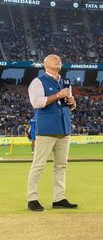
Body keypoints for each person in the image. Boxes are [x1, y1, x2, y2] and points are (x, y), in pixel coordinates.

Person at [26, 54, 78, 212]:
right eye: (55, 59)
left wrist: (73, 103)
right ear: (46, 64)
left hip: (64, 129)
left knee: (61, 166)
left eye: (60, 59)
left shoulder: (65, 82)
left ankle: (59, 198)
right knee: (39, 165)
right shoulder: (38, 81)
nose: (59, 60)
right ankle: (32, 198)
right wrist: (57, 95)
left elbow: (68, 105)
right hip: (47, 129)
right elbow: (36, 102)